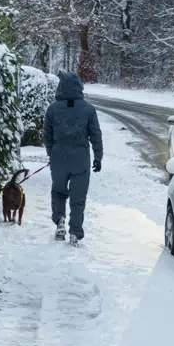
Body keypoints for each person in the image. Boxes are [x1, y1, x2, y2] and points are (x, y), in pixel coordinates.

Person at [42, 72, 103, 244]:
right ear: (79, 87)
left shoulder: (52, 109)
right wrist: (98, 157)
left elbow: (47, 134)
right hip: (80, 160)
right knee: (78, 198)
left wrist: (51, 152)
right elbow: (95, 135)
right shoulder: (89, 110)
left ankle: (59, 221)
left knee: (59, 192)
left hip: (59, 158)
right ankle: (75, 232)